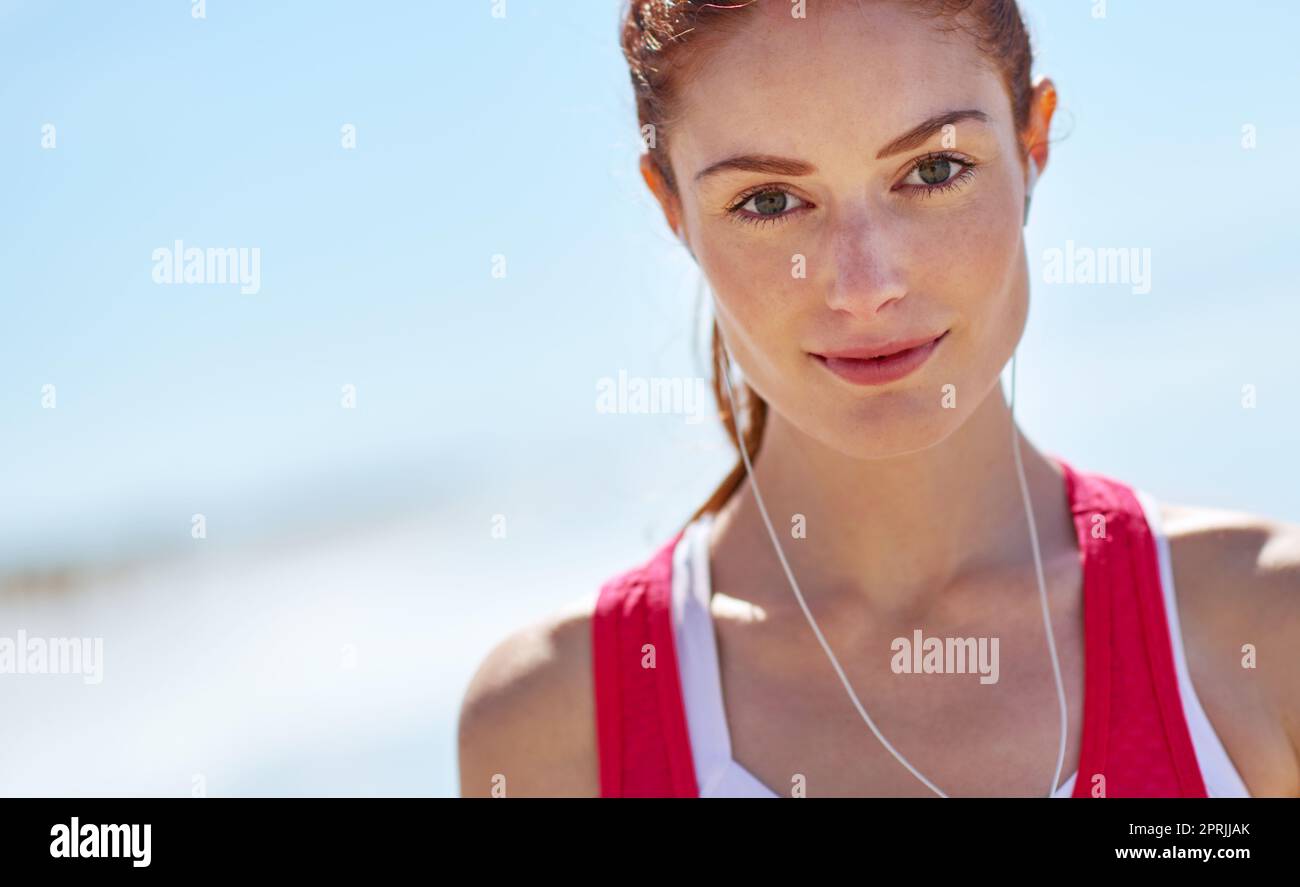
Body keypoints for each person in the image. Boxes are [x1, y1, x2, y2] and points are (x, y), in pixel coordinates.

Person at [457, 0, 1300, 797]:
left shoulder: (1269, 628)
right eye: (769, 200)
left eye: (934, 169)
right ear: (673, 209)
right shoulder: (555, 727)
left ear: (1032, 144)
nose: (866, 286)